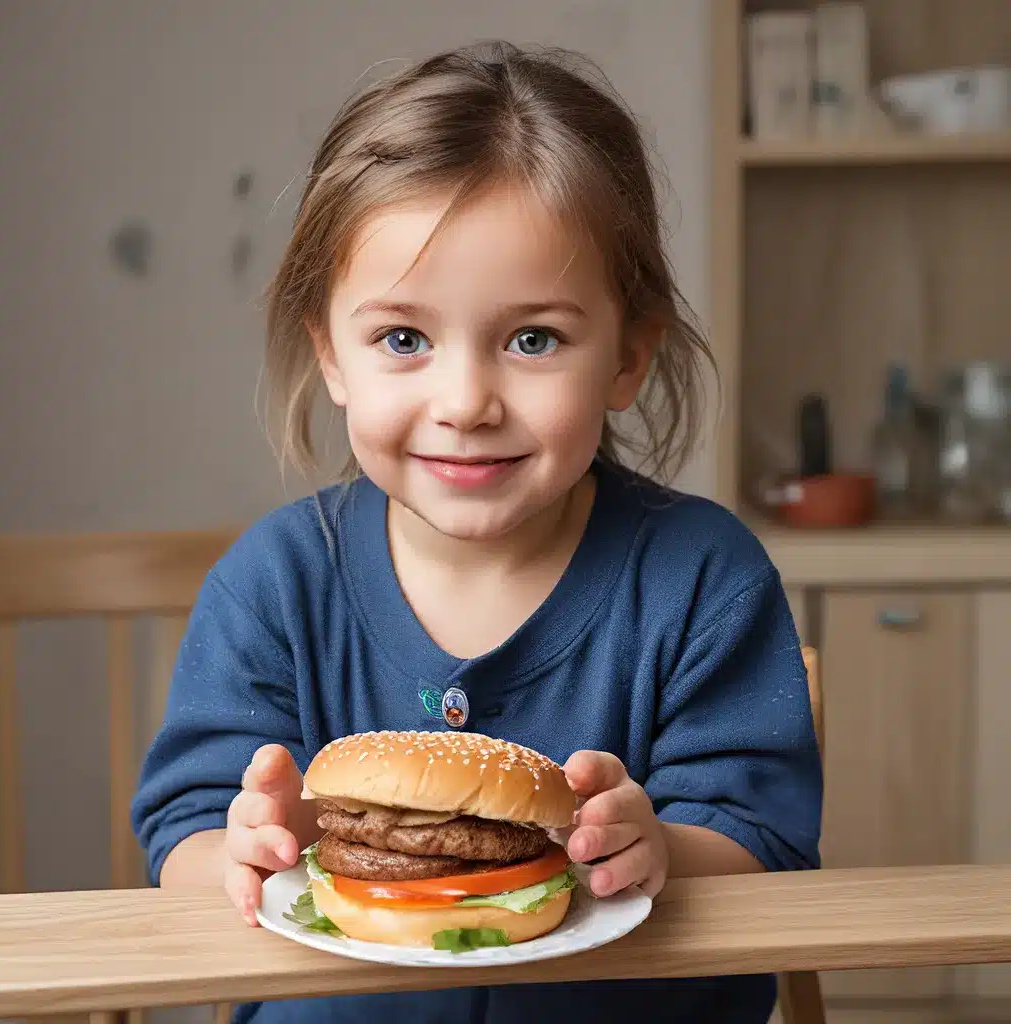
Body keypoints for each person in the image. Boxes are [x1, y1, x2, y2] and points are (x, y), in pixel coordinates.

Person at [131, 40, 822, 1024]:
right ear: (332, 354)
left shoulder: (701, 578)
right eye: (402, 338)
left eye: (532, 338)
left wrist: (664, 847)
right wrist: (240, 849)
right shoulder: (275, 584)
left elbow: (764, 838)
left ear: (625, 358)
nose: (464, 402)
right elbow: (185, 836)